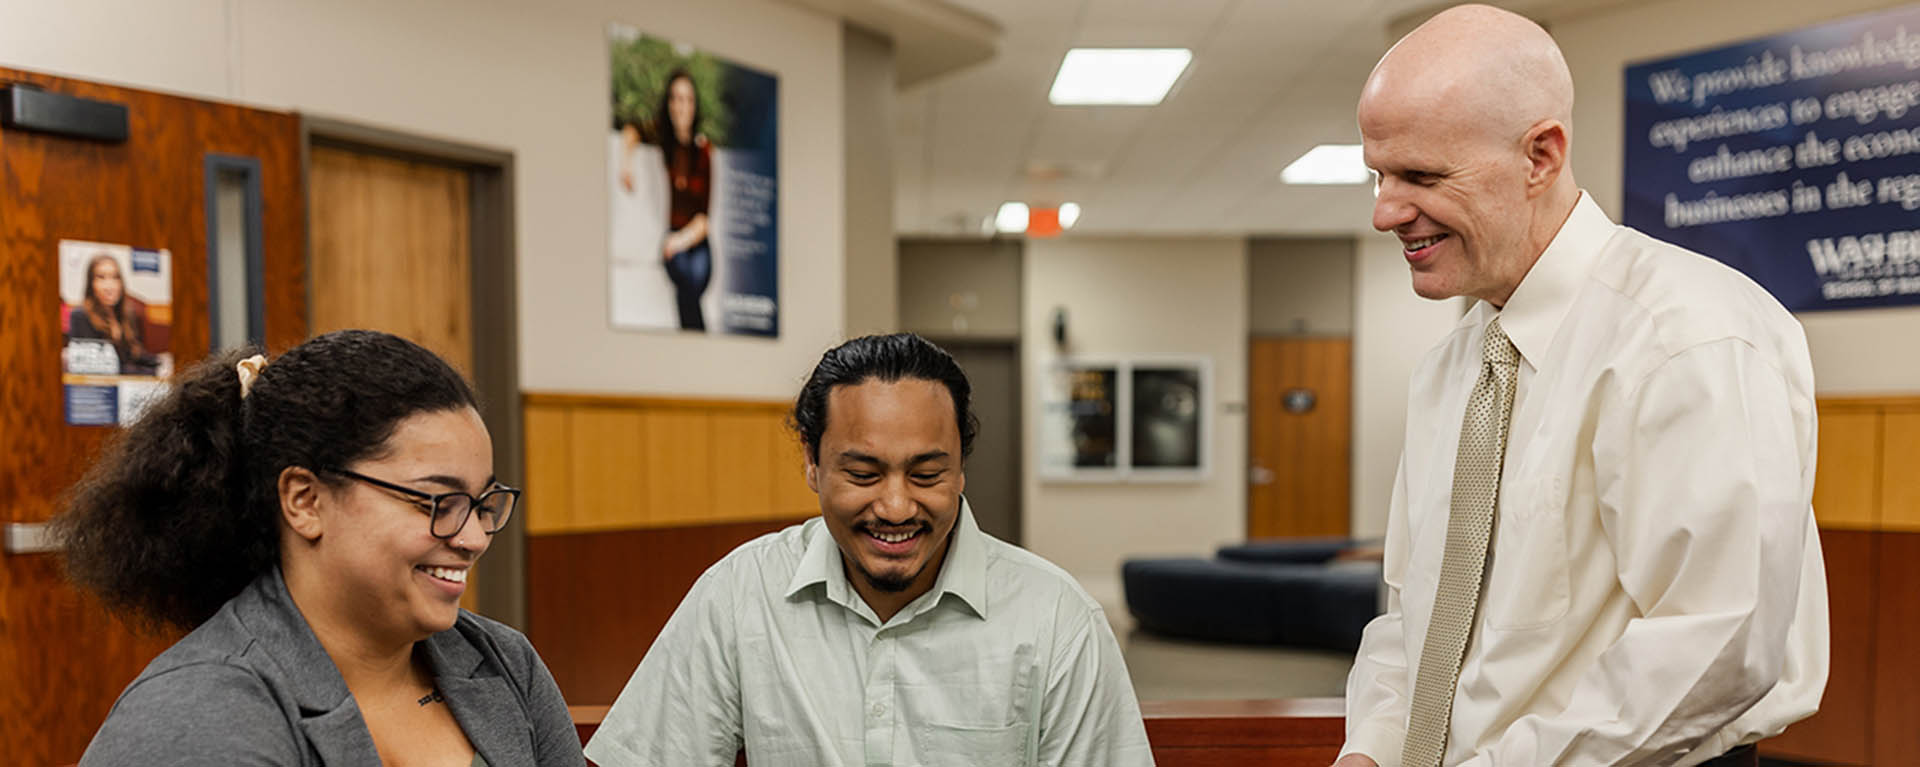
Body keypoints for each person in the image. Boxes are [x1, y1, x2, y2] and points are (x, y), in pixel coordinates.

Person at [1336, 6, 1827, 767]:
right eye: (1379, 173)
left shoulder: (1686, 336)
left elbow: (1715, 641)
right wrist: (1371, 749)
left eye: (1422, 175)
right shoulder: (1453, 367)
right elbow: (1415, 617)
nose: (1385, 211)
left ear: (1540, 154)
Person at [585, 333, 1154, 767]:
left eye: (928, 474)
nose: (897, 507)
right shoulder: (740, 594)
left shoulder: (1056, 618)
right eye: (862, 473)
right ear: (811, 461)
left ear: (961, 469)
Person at [58, 330, 583, 767]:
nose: (472, 538)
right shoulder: (196, 714)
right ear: (305, 501)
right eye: (436, 501)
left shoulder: (502, 662)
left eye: (482, 502)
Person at [656, 69, 713, 331]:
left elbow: (703, 220)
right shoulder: (662, 141)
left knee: (694, 279)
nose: (683, 107)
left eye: (688, 100)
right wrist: (625, 163)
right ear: (669, 103)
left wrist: (679, 240)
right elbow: (632, 130)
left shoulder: (702, 151)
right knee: (684, 278)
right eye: (677, 99)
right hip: (674, 235)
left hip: (695, 239)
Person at [67, 253, 157, 375]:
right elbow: (101, 368)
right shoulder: (80, 316)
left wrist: (160, 362)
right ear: (91, 283)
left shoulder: (128, 314)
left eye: (115, 277)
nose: (109, 286)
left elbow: (134, 356)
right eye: (101, 277)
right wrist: (150, 372)